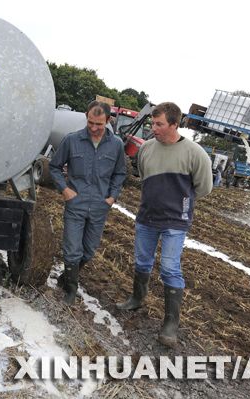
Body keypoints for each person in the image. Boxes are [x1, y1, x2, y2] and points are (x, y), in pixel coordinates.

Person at [116, 102, 213, 348]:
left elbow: (204, 188)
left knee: (170, 267)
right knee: (142, 261)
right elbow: (142, 174)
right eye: (152, 123)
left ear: (174, 124)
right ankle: (137, 298)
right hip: (147, 216)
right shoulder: (147, 148)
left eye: (159, 124)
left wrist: (180, 202)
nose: (153, 128)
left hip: (175, 221)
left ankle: (170, 323)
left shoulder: (194, 153)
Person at [49, 101, 127, 305]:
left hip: (100, 206)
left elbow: (120, 173)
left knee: (89, 250)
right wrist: (65, 190)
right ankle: (71, 290)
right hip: (76, 203)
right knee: (72, 249)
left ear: (108, 121)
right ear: (86, 117)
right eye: (90, 122)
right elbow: (55, 166)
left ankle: (67, 276)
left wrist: (112, 197)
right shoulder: (72, 140)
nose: (93, 128)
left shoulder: (116, 145)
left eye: (99, 124)